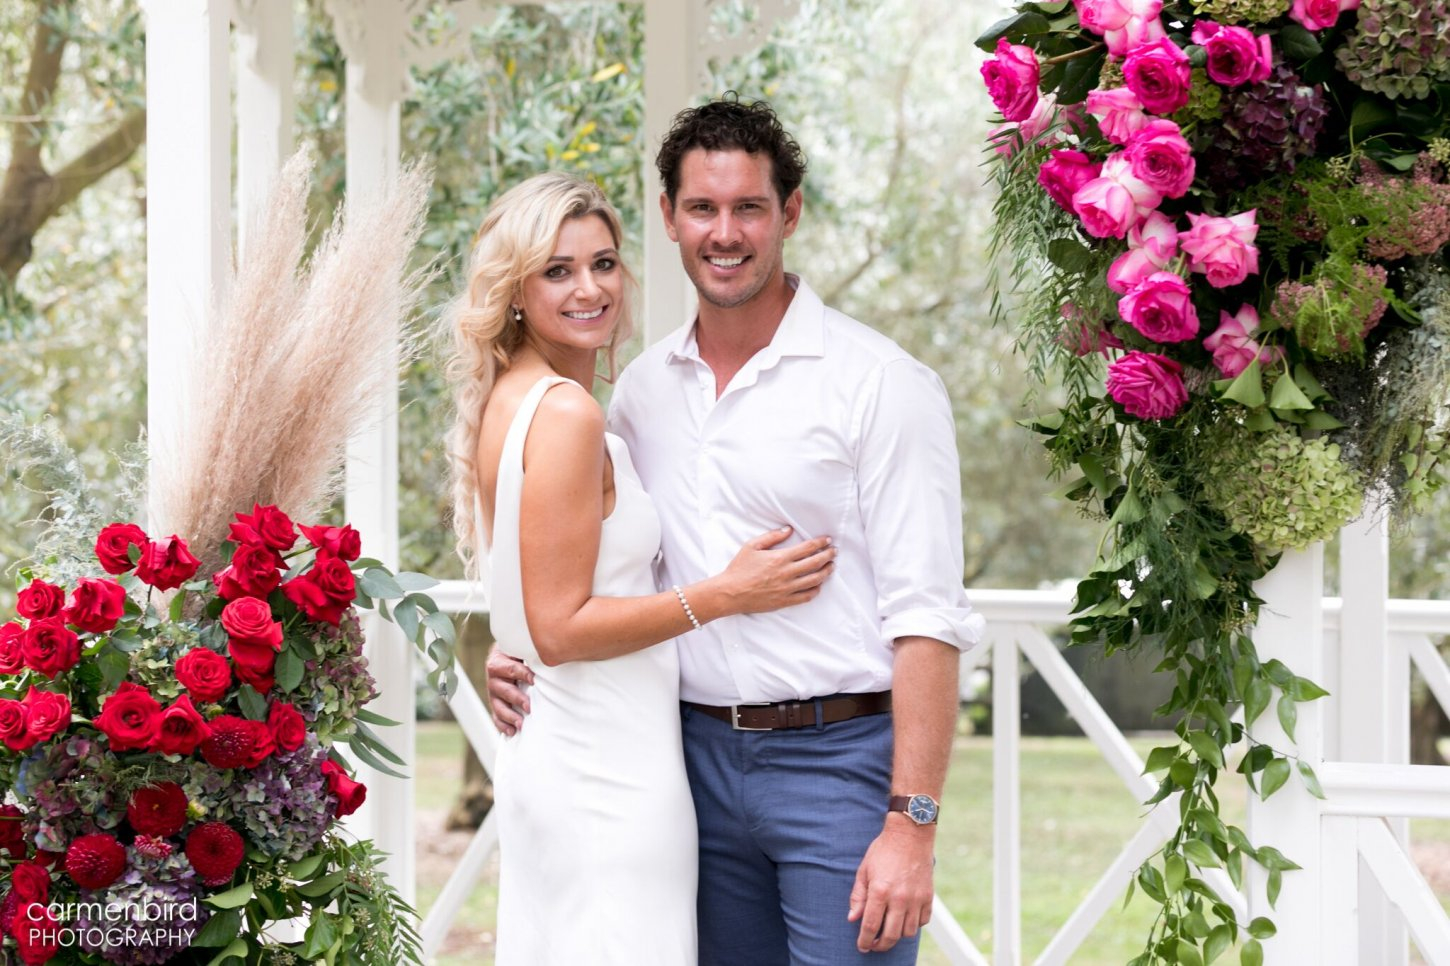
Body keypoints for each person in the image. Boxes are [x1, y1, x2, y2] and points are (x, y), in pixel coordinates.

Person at [487, 96, 984, 964]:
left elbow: (928, 617)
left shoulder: (880, 384)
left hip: (837, 762)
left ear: (789, 213)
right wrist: (512, 645)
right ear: (670, 219)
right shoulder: (639, 393)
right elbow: (594, 566)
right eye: (703, 208)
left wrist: (912, 824)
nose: (725, 233)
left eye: (749, 207)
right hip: (685, 765)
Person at [444, 172, 837, 965]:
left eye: (603, 263)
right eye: (557, 271)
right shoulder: (566, 413)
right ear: (514, 290)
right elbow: (560, 627)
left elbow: (535, 601)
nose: (590, 289)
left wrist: (512, 642)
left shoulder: (515, 398)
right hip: (605, 773)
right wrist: (724, 594)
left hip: (566, 751)